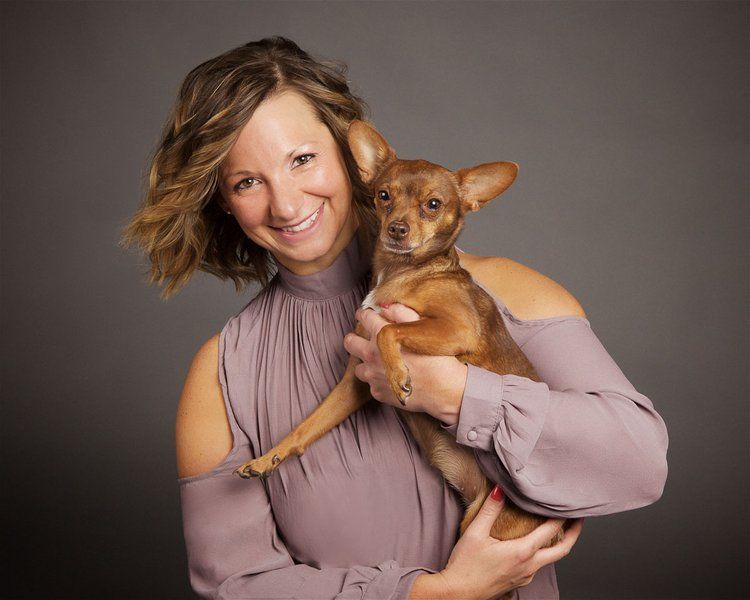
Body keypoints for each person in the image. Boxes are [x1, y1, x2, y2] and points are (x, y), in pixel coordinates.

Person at [120, 36, 668, 599]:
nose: (285, 204)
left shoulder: (504, 291)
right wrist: (440, 593)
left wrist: (457, 394)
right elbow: (235, 585)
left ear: (350, 156)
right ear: (223, 201)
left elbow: (641, 464)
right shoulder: (224, 372)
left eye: (302, 159)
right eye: (247, 181)